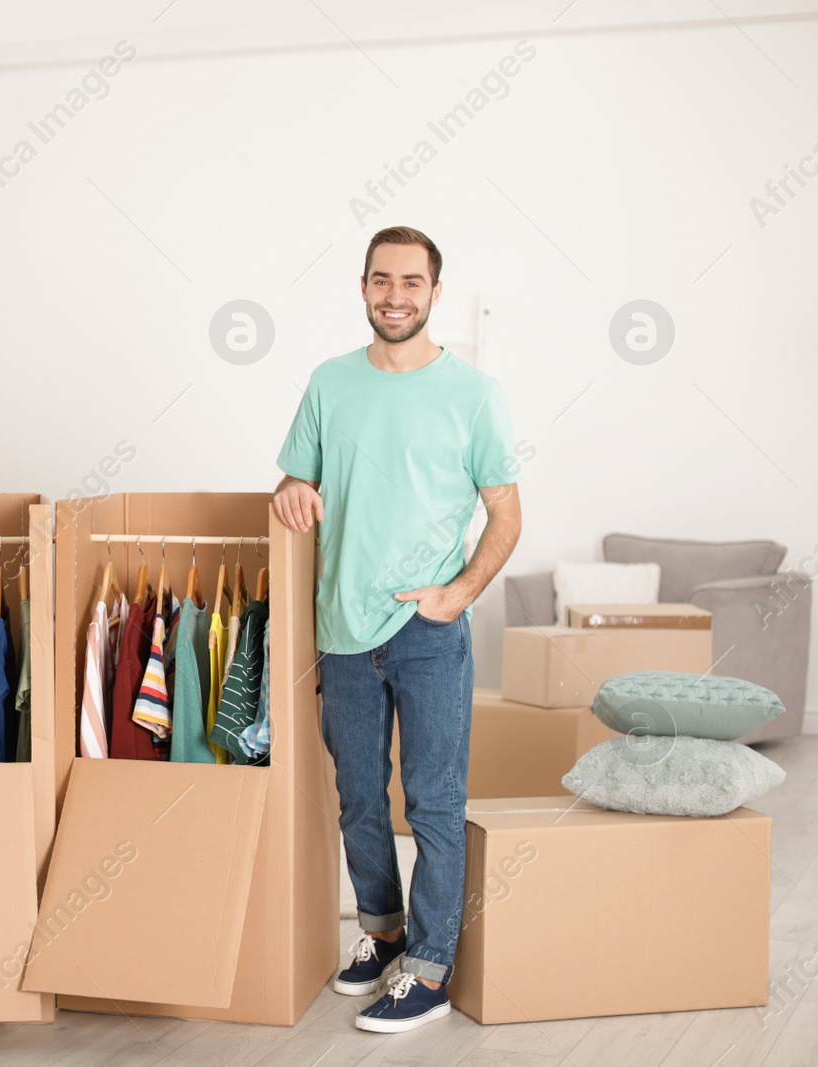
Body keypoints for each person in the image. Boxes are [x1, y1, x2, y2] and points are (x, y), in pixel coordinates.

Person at [273, 227, 522, 1033]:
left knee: (434, 800)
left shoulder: (474, 393)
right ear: (363, 286)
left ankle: (430, 966)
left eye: (411, 282)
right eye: (382, 279)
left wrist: (459, 591)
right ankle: (380, 933)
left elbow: (507, 514)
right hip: (340, 626)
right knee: (356, 800)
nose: (395, 295)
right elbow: (296, 479)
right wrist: (288, 492)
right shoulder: (329, 382)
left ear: (435, 292)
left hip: (427, 628)